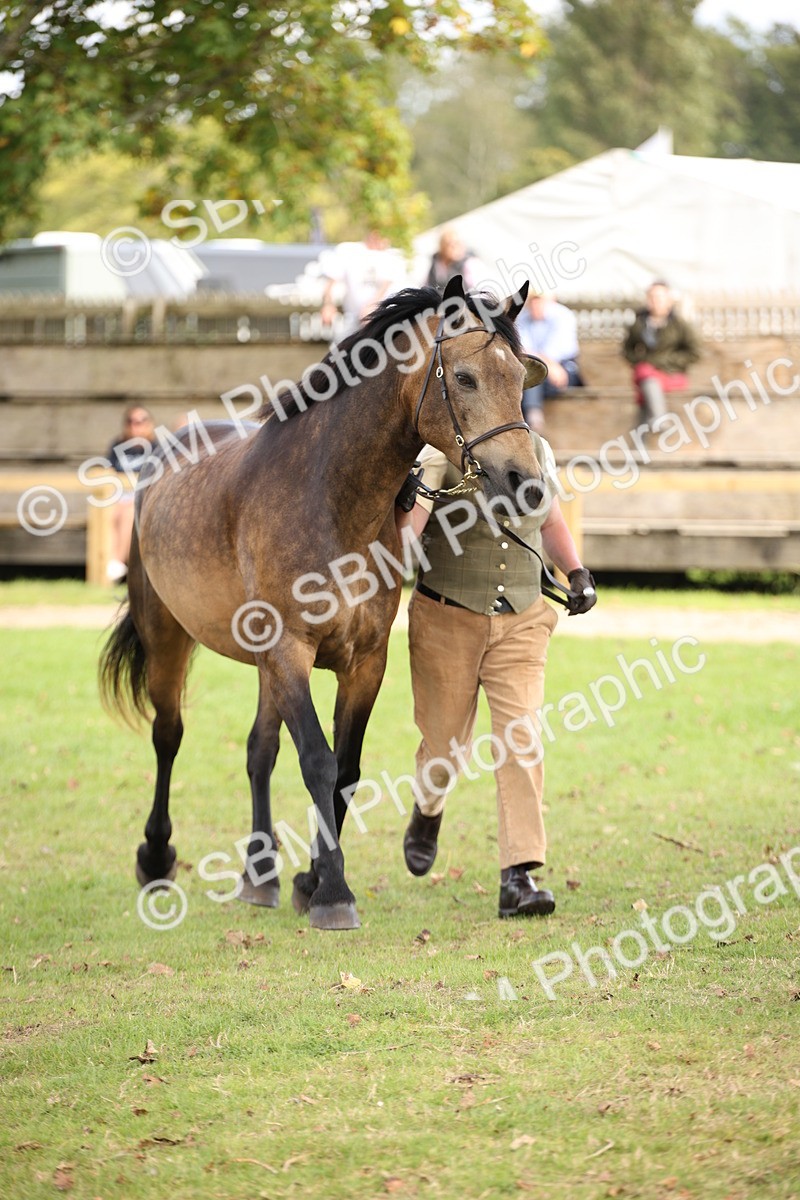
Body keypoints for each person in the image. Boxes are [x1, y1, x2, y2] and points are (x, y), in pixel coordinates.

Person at [396, 432, 597, 919]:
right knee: (443, 750)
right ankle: (428, 812)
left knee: (521, 739)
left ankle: (519, 876)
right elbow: (402, 555)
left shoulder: (540, 451)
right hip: (447, 617)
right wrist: (417, 493)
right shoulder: (440, 456)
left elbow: (549, 519)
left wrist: (576, 572)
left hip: (524, 619)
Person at [622, 280, 701, 431]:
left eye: (659, 298)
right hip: (647, 374)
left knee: (647, 384)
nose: (655, 302)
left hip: (671, 374)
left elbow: (694, 352)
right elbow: (627, 349)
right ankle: (658, 421)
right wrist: (639, 361)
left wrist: (669, 362)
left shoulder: (679, 325)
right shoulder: (639, 325)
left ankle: (655, 425)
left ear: (669, 301)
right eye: (651, 297)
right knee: (645, 374)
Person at [516, 291, 584, 432]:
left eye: (539, 300)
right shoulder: (522, 317)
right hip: (538, 367)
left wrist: (548, 363)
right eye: (533, 300)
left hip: (564, 367)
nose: (535, 304)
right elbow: (521, 350)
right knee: (532, 374)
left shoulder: (563, 316)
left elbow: (556, 350)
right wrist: (549, 364)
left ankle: (533, 417)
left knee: (533, 376)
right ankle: (533, 417)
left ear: (551, 300)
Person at [319, 231, 407, 336]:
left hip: (381, 320)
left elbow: (386, 284)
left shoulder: (391, 256)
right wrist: (328, 304)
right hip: (352, 319)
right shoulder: (348, 251)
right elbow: (331, 281)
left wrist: (373, 308)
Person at [105, 405, 156, 583]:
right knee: (112, 512)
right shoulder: (118, 446)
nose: (136, 426)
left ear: (150, 424)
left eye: (141, 421)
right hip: (117, 496)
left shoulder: (156, 447)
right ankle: (112, 563)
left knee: (127, 511)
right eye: (131, 421)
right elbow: (107, 472)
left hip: (142, 498)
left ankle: (117, 562)